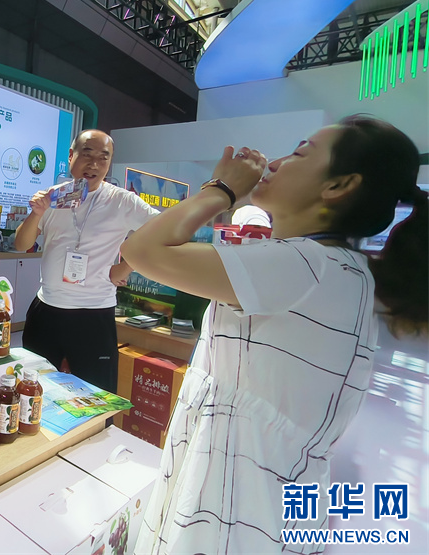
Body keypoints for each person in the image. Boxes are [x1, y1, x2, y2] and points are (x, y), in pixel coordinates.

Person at [120, 115, 427, 554]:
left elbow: (140, 250)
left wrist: (221, 190)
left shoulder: (306, 264)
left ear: (338, 186)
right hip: (262, 496)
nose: (277, 162)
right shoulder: (340, 267)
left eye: (300, 152)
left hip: (236, 508)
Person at [13, 129, 160, 392]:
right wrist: (36, 213)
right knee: (33, 390)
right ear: (71, 156)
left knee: (95, 394)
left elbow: (164, 232)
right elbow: (21, 245)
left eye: (104, 157)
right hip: (46, 309)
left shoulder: (122, 201)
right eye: (87, 154)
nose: (94, 164)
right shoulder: (52, 197)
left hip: (94, 314)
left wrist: (127, 265)